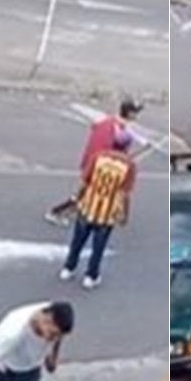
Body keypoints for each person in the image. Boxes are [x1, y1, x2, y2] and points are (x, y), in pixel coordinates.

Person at [45, 96, 143, 226]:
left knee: (87, 191)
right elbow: (118, 153)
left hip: (91, 160)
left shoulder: (108, 122)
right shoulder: (123, 132)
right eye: (136, 112)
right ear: (130, 113)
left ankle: (72, 211)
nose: (137, 115)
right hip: (100, 166)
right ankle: (56, 212)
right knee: (85, 193)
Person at [59, 130, 136, 290]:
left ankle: (68, 268)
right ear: (127, 146)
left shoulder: (98, 157)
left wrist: (78, 199)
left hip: (88, 206)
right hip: (107, 213)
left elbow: (85, 182)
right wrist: (124, 215)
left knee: (77, 241)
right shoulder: (129, 165)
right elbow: (125, 194)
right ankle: (91, 275)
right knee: (98, 246)